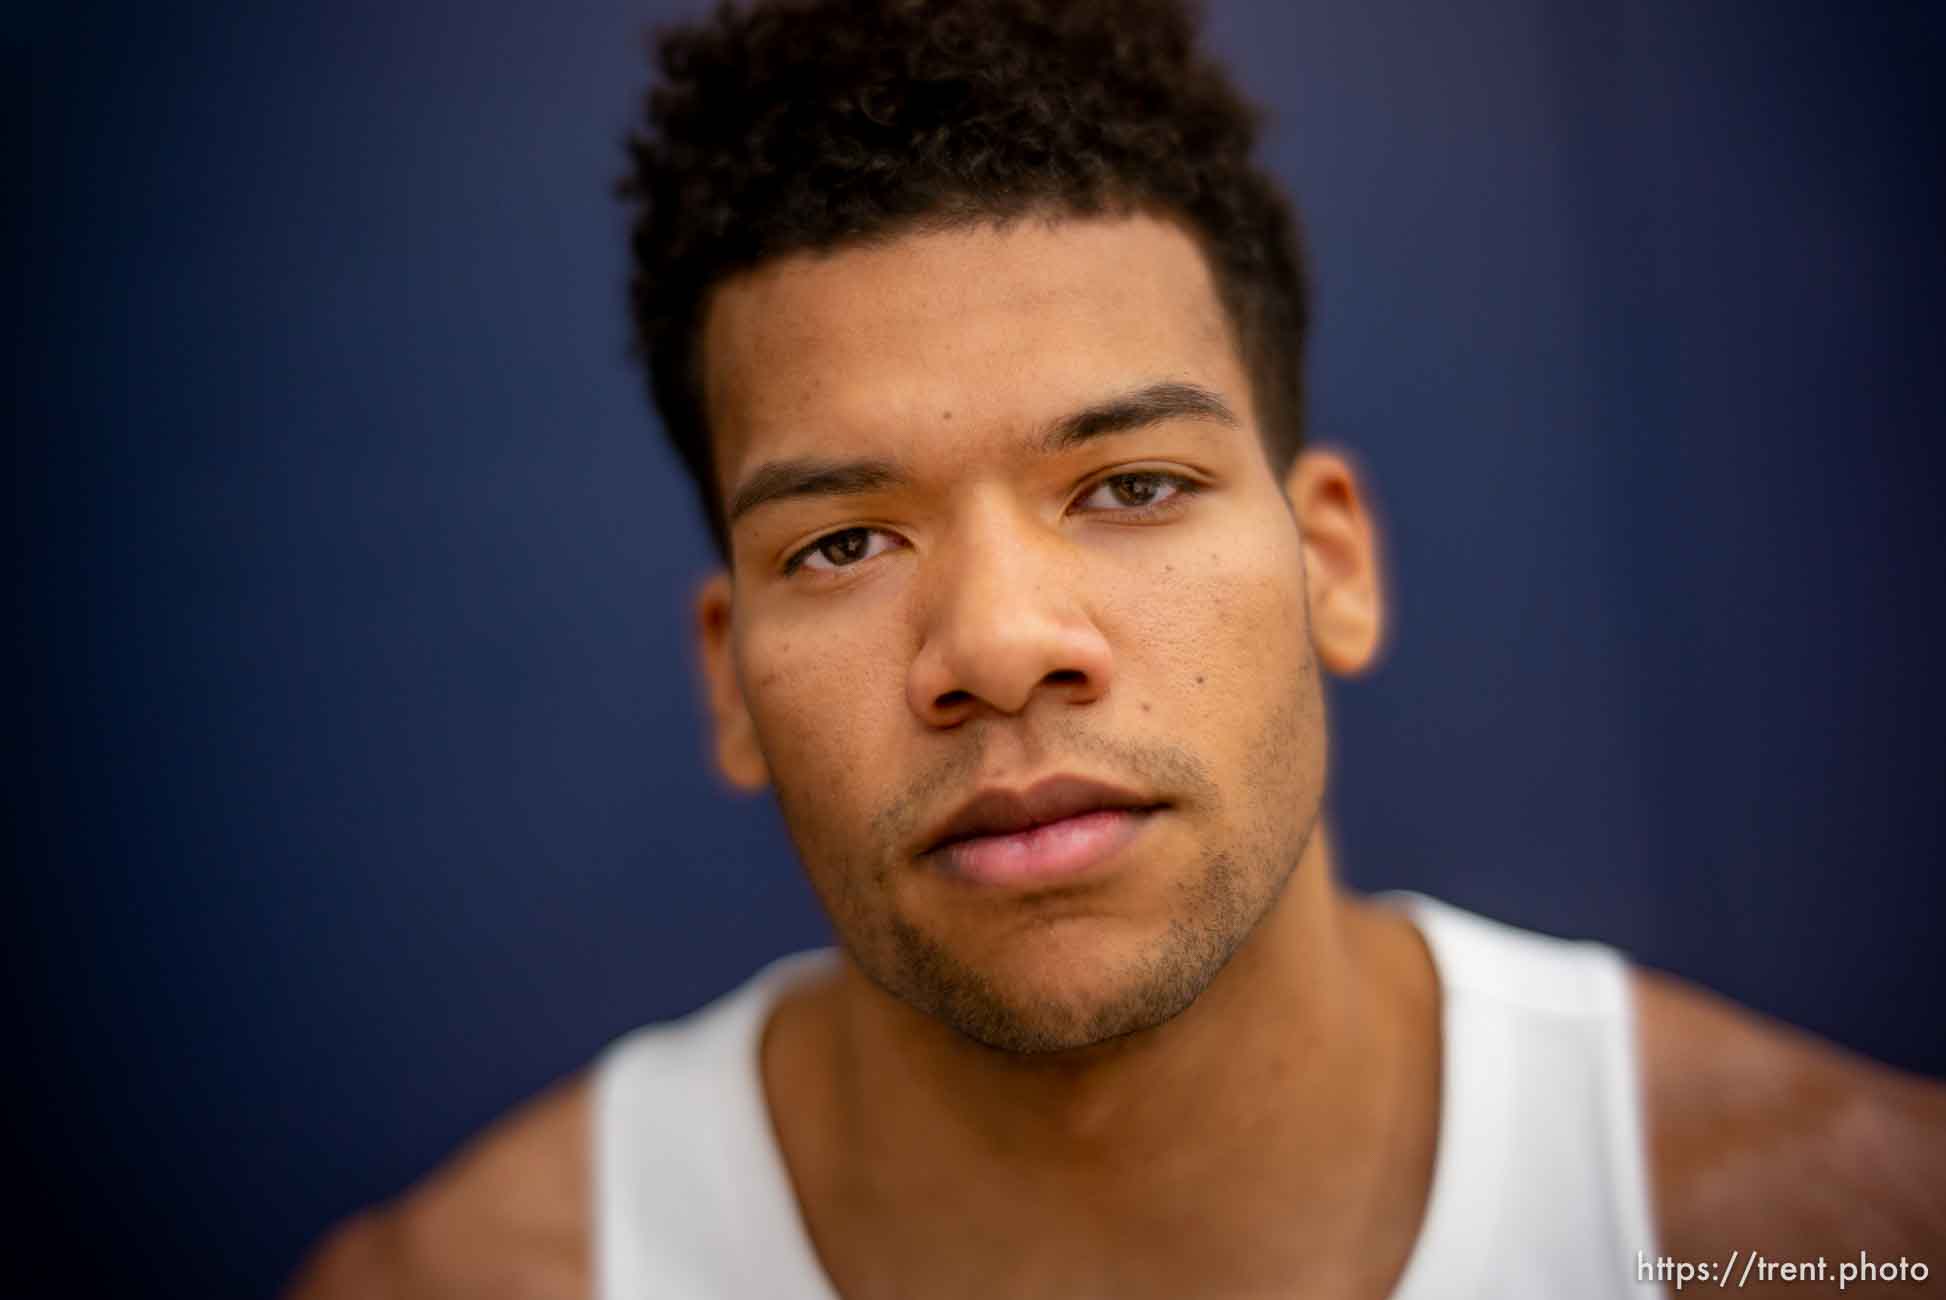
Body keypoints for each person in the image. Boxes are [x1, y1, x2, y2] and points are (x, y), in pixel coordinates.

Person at [285, 0, 1946, 1295]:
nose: (1001, 647)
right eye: (842, 541)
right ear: (728, 677)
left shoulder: (1834, 1236)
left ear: (1332, 563)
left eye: (1132, 484)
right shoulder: (477, 1285)